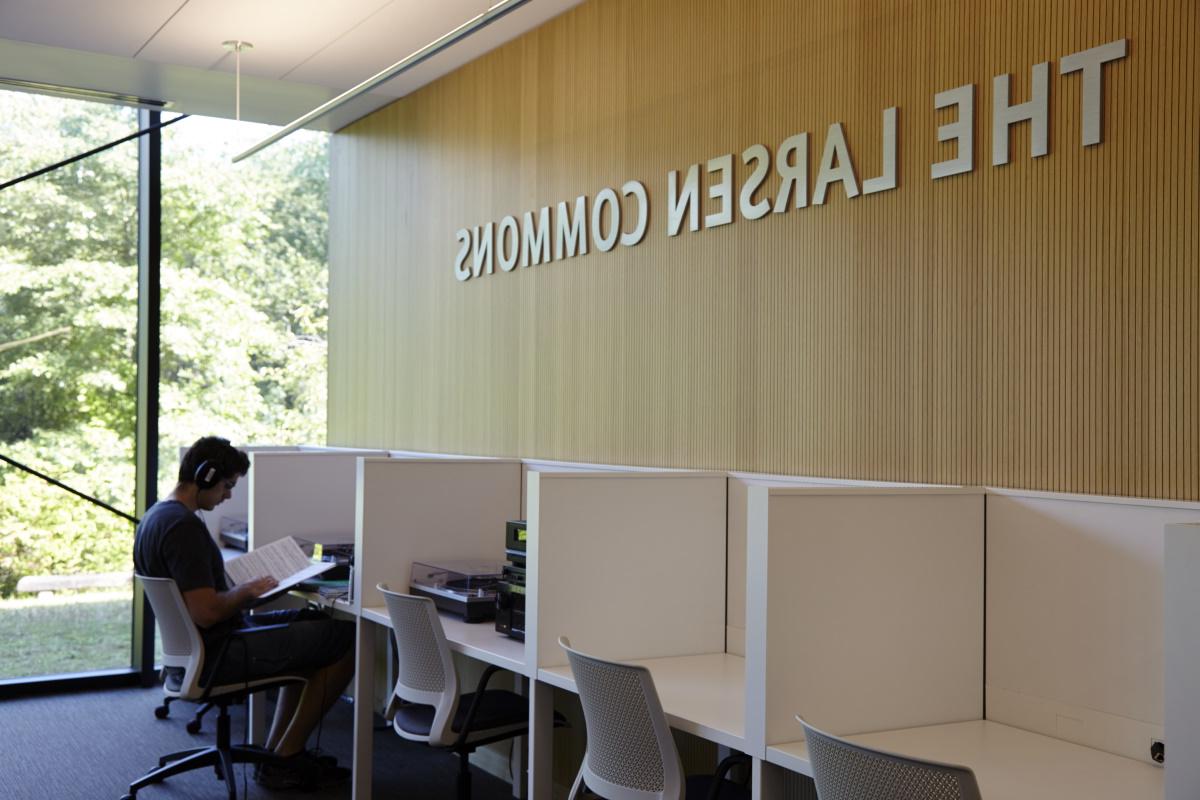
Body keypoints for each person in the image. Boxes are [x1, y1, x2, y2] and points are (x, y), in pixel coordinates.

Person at [133, 436, 356, 790]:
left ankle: (277, 752)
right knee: (346, 641)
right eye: (227, 485)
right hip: (220, 651)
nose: (228, 496)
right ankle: (286, 757)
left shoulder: (157, 517)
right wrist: (247, 591)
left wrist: (243, 591)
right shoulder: (184, 527)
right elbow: (206, 612)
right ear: (205, 477)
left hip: (203, 648)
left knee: (313, 623)